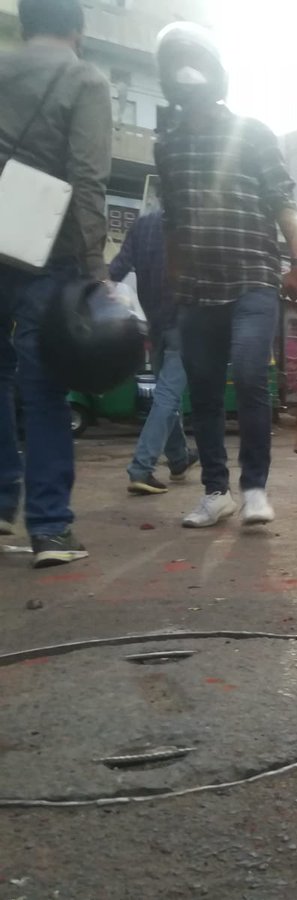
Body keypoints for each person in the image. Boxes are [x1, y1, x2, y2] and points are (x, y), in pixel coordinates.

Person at [155, 23, 297, 528]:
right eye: (176, 65)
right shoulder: (168, 146)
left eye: (194, 63)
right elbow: (175, 223)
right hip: (198, 290)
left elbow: (282, 201)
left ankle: (256, 488)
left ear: (216, 76)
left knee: (248, 376)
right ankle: (216, 491)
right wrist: (174, 289)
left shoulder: (253, 133)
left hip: (253, 278)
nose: (187, 76)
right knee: (201, 389)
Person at [0, 0, 111, 567]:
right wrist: (95, 268)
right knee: (42, 387)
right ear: (79, 28)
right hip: (46, 247)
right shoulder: (83, 76)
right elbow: (88, 176)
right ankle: (49, 528)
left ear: (23, 23)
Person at [109, 210, 198, 495]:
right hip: (185, 320)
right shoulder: (193, 219)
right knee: (168, 395)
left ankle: (179, 459)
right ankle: (141, 468)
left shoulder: (142, 224)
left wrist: (95, 292)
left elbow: (117, 268)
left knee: (166, 394)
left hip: (155, 322)